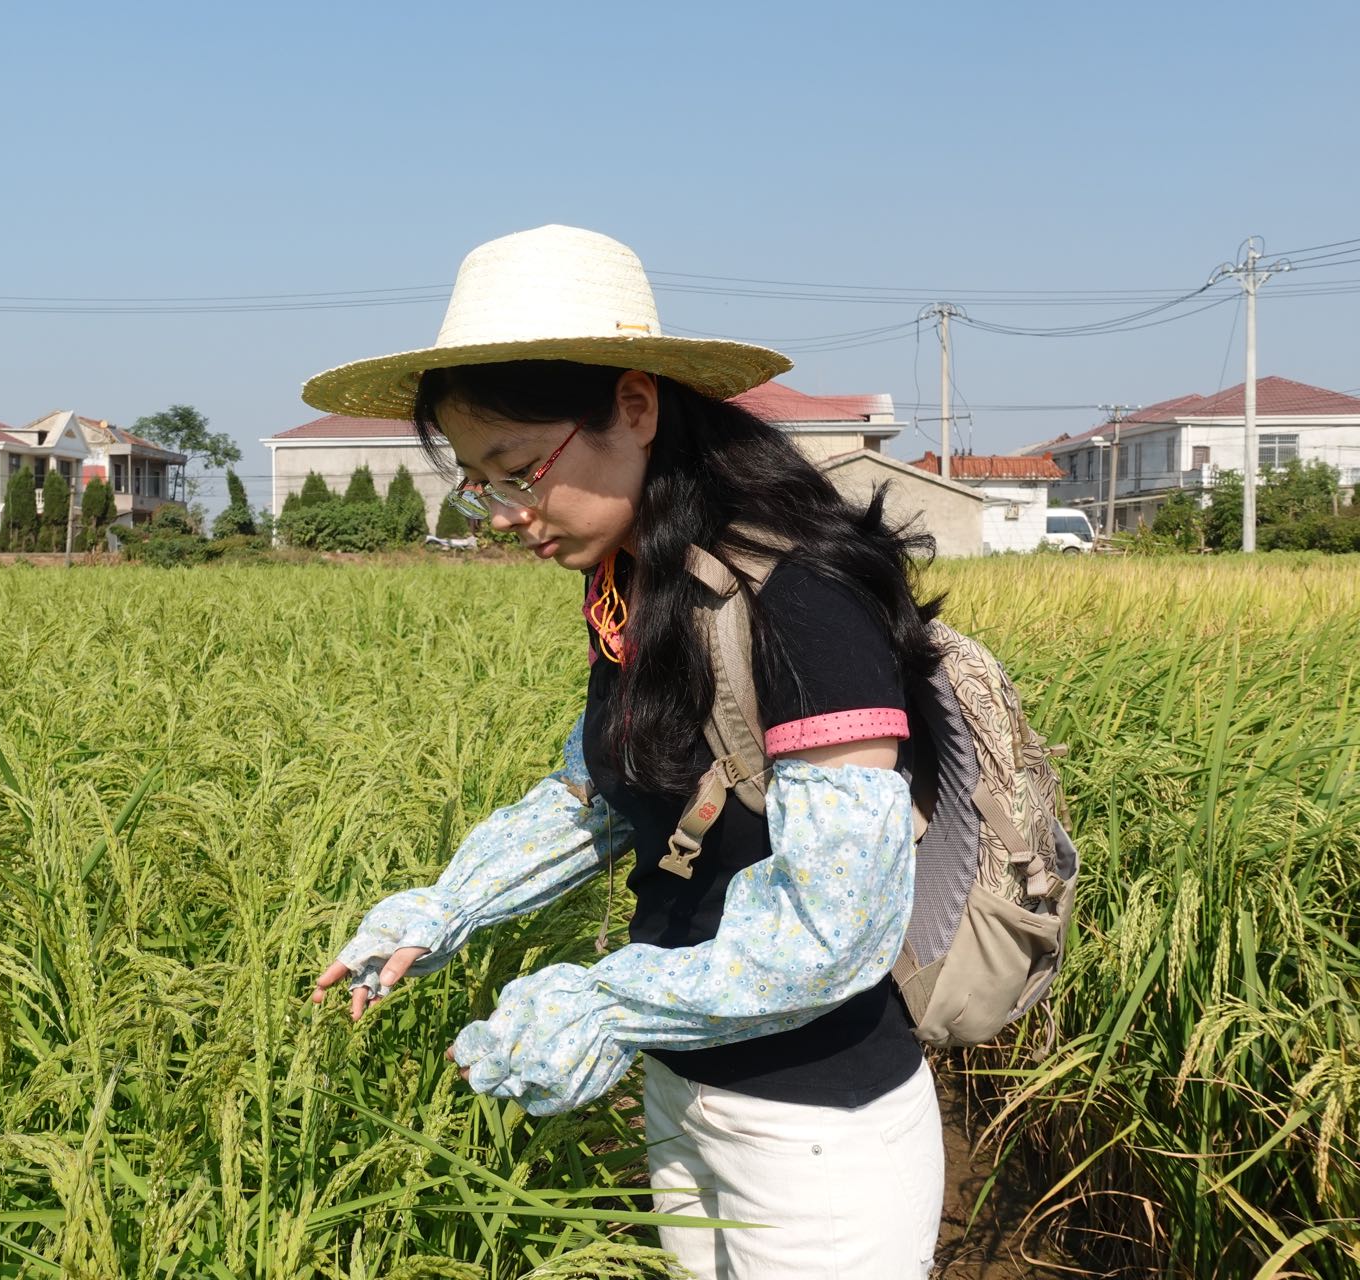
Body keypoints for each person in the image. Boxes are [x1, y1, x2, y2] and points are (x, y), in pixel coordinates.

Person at [305, 225, 947, 1278]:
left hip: (815, 1130)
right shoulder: (636, 589)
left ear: (637, 407)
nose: (506, 513)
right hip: (683, 1090)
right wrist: (450, 903)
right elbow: (593, 794)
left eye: (517, 468)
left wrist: (604, 997)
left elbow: (840, 925)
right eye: (477, 481)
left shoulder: (801, 598)